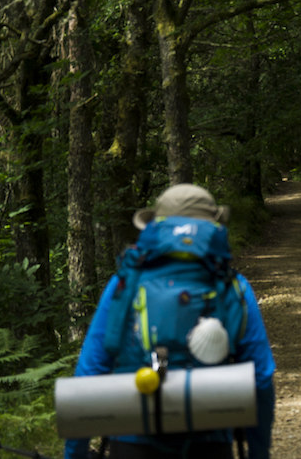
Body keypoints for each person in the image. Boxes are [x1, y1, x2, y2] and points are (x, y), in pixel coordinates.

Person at [64, 184, 276, 459]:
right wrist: (258, 452)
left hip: (131, 441)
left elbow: (89, 373)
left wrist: (74, 454)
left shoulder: (125, 284)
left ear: (155, 227)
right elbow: (261, 378)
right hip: (211, 440)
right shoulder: (233, 287)